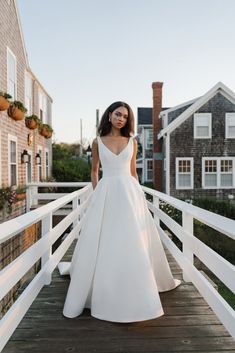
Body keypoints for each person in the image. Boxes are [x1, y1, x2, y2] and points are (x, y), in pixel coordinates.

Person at [58, 101, 181, 322]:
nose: (121, 119)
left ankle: (135, 284)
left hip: (129, 193)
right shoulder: (97, 142)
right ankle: (104, 288)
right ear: (109, 115)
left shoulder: (132, 142)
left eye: (125, 116)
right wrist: (97, 193)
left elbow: (133, 172)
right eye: (117, 114)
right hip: (106, 192)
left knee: (132, 238)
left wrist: (138, 195)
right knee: (106, 238)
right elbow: (95, 171)